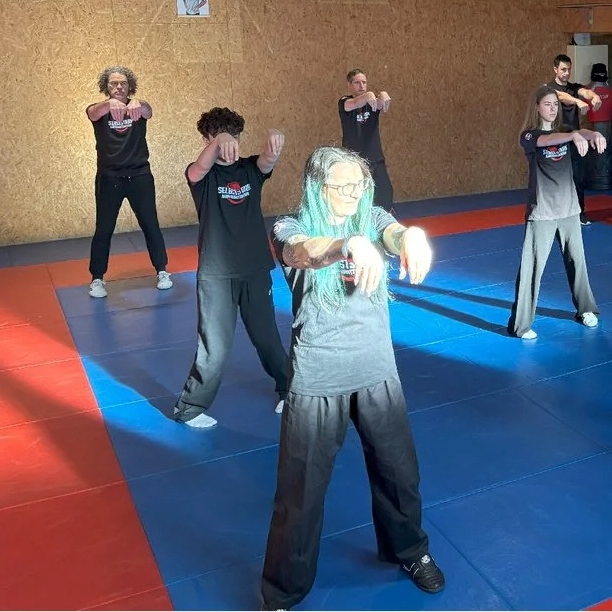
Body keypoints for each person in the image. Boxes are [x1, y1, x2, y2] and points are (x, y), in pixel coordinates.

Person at [261, 146, 442, 609]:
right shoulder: (289, 225)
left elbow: (392, 231)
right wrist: (347, 244)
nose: (353, 193)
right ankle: (283, 591)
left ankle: (409, 551)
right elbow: (302, 252)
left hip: (376, 368)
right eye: (342, 186)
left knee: (399, 474)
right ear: (317, 188)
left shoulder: (371, 214)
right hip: (319, 377)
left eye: (359, 185)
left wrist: (411, 236)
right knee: (301, 491)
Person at [171, 108, 288, 429]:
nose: (227, 143)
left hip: (254, 268)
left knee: (267, 338)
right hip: (217, 274)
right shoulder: (202, 176)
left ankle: (289, 388)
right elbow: (198, 168)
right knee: (215, 346)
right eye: (219, 137)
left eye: (233, 136)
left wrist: (274, 139)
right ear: (207, 139)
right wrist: (218, 141)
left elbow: (267, 161)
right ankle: (189, 408)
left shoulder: (250, 169)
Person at [507, 85, 606, 340]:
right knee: (532, 268)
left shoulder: (564, 130)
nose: (552, 109)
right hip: (543, 211)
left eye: (555, 104)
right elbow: (548, 141)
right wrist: (573, 137)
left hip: (569, 208)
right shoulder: (529, 136)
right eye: (547, 104)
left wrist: (593, 134)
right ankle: (521, 325)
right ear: (537, 107)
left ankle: (585, 309)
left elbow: (580, 132)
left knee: (577, 262)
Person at [85, 66, 171, 298]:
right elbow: (92, 113)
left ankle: (162, 271)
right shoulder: (99, 110)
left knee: (151, 225)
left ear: (130, 85)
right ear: (106, 87)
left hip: (139, 176)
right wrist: (109, 104)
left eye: (123, 83)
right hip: (109, 178)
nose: (119, 86)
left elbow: (149, 111)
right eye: (114, 83)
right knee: (104, 229)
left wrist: (139, 103)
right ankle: (97, 278)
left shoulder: (138, 108)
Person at [547, 54, 602, 225]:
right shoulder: (548, 88)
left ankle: (579, 213)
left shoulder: (574, 87)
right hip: (556, 139)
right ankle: (555, 213)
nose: (566, 73)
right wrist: (578, 102)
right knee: (557, 179)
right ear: (555, 69)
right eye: (563, 69)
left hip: (575, 139)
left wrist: (595, 97)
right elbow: (561, 96)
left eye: (568, 69)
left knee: (578, 177)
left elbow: (585, 91)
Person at [338, 69, 394, 209]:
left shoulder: (371, 102)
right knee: (357, 197)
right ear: (349, 85)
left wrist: (383, 95)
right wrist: (368, 96)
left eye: (364, 82)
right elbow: (355, 103)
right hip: (354, 161)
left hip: (375, 158)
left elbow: (380, 103)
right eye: (357, 83)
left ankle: (385, 218)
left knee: (385, 194)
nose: (362, 86)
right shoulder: (344, 102)